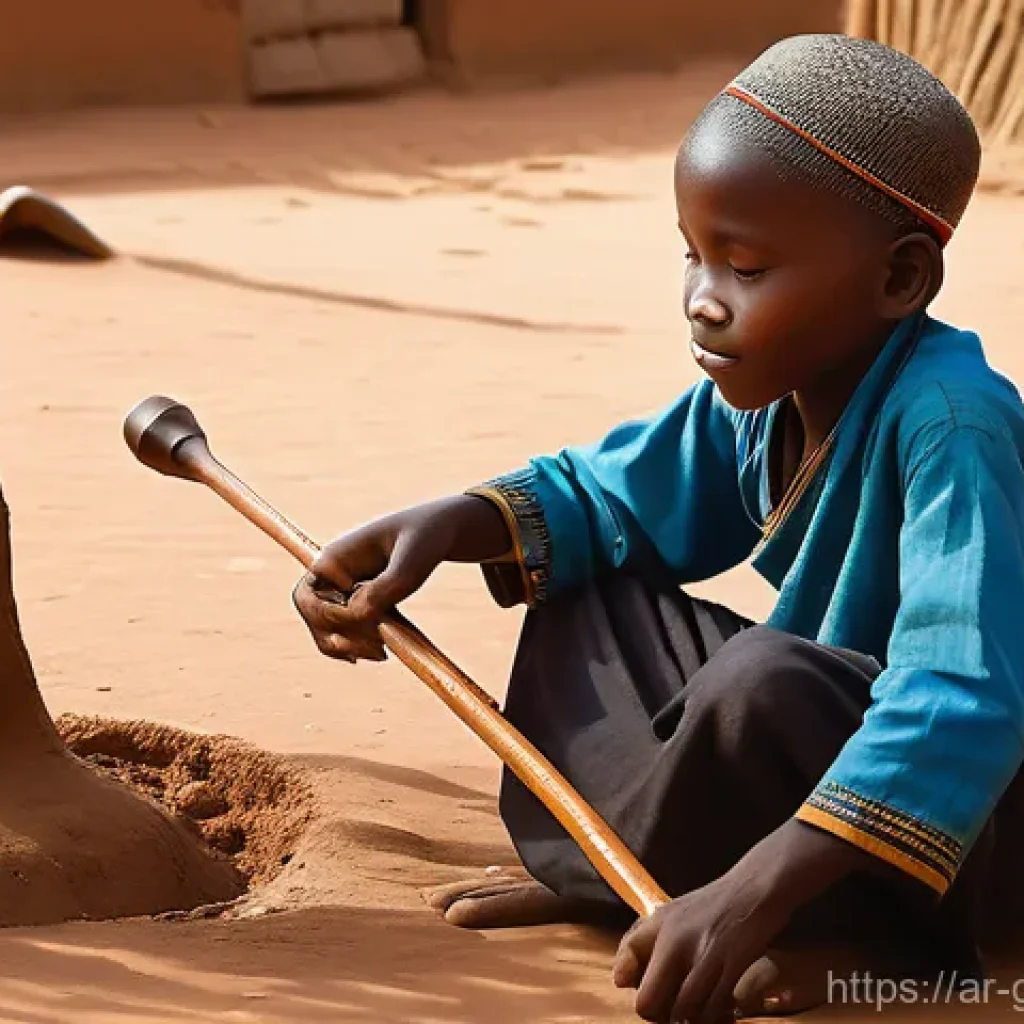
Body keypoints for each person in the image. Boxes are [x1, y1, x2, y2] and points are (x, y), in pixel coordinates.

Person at [292, 33, 1024, 1023]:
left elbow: (962, 699)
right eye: (693, 253)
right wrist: (447, 525)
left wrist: (754, 885)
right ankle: (617, 871)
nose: (701, 301)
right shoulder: (766, 391)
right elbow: (610, 499)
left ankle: (871, 944)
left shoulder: (953, 423)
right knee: (584, 581)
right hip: (822, 739)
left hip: (980, 821)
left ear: (899, 279)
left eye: (748, 267)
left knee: (762, 679)